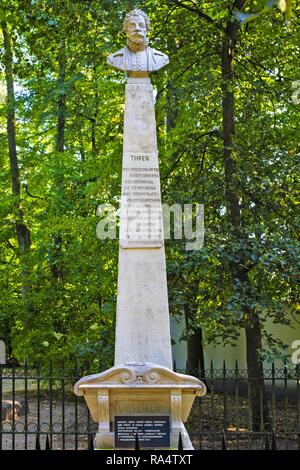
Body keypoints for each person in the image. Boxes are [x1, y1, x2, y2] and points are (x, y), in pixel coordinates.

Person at [107, 9, 169, 73]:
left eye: (141, 25)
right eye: (132, 26)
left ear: (146, 30)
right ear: (126, 30)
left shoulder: (160, 58)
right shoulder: (115, 58)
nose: (137, 28)